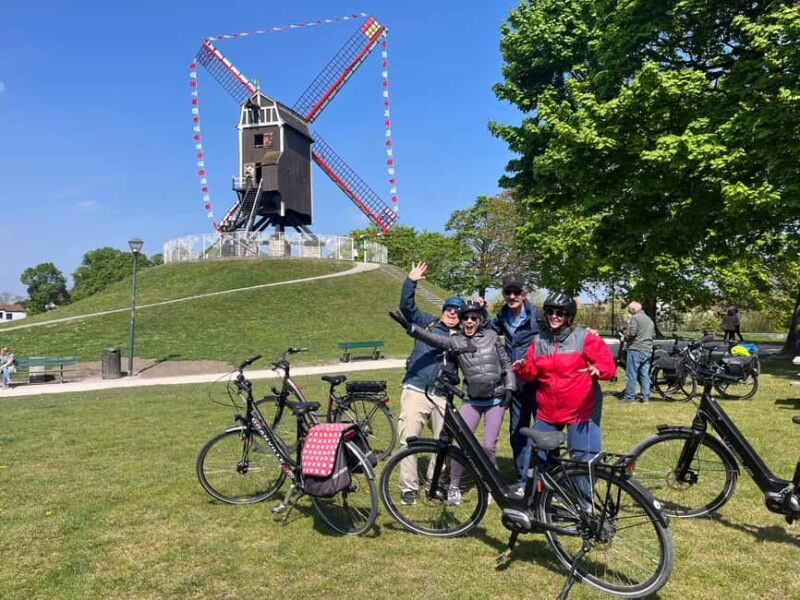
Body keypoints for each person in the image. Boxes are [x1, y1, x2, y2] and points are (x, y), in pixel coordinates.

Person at [396, 300, 515, 505]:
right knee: (461, 443)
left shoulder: (491, 336)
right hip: (472, 398)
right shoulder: (456, 341)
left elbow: (506, 362)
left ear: (480, 320)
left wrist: (510, 386)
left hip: (495, 397)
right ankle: (452, 486)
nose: (469, 322)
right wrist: (413, 329)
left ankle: (490, 486)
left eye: (474, 318)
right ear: (461, 321)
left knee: (488, 446)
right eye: (465, 318)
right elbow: (434, 340)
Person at [512, 292, 615, 465]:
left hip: (580, 410)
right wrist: (523, 369)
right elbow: (532, 373)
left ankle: (582, 492)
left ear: (569, 316)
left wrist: (599, 369)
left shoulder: (585, 338)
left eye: (560, 313)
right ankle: (543, 491)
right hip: (548, 410)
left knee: (583, 463)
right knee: (538, 461)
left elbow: (608, 365)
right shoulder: (538, 342)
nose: (554, 316)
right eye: (550, 312)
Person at [396, 262, 464, 506]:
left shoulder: (463, 336)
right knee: (408, 438)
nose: (453, 313)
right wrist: (410, 281)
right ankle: (408, 488)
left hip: (442, 395)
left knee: (442, 443)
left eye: (458, 311)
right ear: (443, 310)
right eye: (449, 308)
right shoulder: (428, 323)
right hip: (416, 388)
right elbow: (406, 307)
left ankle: (433, 484)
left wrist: (481, 311)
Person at [485, 274, 541, 494]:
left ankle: (549, 474)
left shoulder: (539, 315)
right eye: (507, 292)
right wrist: (479, 311)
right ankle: (522, 478)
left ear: (524, 294)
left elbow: (560, 334)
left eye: (516, 292)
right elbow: (486, 329)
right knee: (518, 431)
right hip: (515, 383)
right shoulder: (502, 316)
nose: (512, 296)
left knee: (545, 430)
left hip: (537, 382)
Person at [621, 301, 655, 403]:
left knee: (632, 374)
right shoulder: (649, 319)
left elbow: (632, 333)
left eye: (629, 309)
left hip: (636, 349)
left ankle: (630, 397)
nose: (628, 311)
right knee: (644, 374)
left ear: (633, 309)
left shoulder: (635, 318)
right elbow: (653, 334)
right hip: (648, 349)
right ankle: (645, 397)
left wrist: (624, 337)